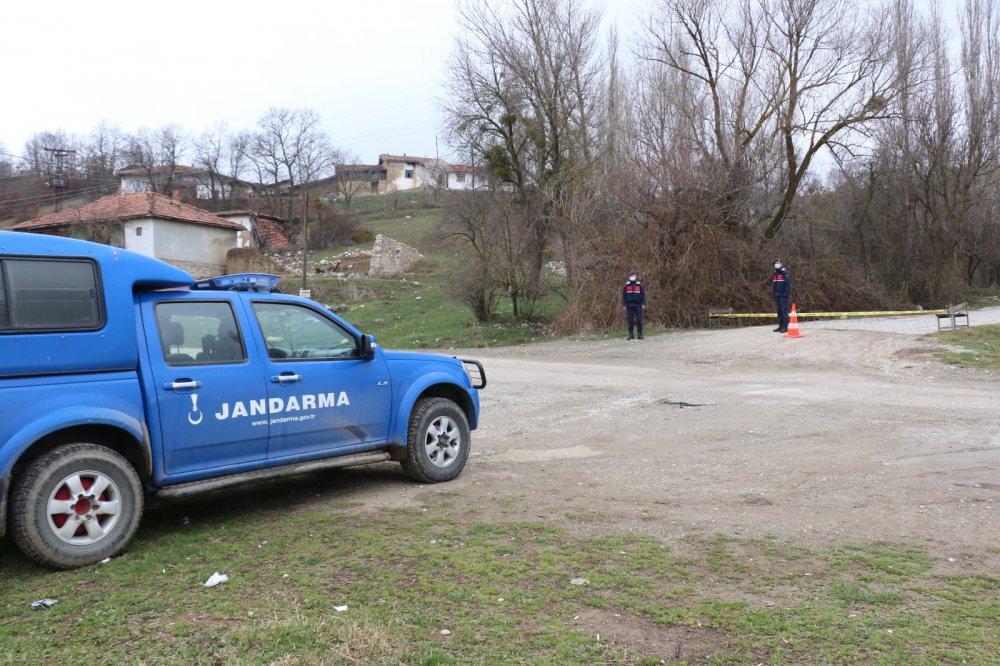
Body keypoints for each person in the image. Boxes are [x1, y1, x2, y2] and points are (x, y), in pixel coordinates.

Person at [621, 269, 646, 340]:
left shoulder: (639, 285)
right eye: (631, 275)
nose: (632, 276)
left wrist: (643, 303)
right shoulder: (626, 285)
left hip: (638, 305)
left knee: (639, 320)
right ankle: (630, 334)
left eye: (633, 275)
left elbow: (643, 294)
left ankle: (640, 334)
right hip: (629, 306)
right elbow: (623, 295)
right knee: (630, 320)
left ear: (636, 276)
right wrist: (624, 304)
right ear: (629, 277)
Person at [771, 258, 792, 333]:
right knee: (779, 311)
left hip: (783, 295)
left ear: (781, 263)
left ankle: (785, 327)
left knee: (784, 311)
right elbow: (774, 285)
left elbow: (788, 284)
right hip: (777, 295)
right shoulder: (775, 273)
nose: (776, 264)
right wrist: (773, 294)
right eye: (775, 263)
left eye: (778, 263)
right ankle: (780, 326)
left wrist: (786, 294)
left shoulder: (785, 272)